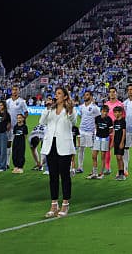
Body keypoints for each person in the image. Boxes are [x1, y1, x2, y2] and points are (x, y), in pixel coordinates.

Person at [39, 86, 77, 218]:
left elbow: (74, 121)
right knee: (53, 176)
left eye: (59, 93)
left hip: (64, 146)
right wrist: (47, 108)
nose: (57, 95)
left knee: (65, 176)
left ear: (65, 96)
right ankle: (54, 204)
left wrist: (70, 110)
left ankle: (65, 204)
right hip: (51, 145)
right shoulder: (51, 109)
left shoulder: (70, 110)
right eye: (56, 93)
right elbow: (42, 121)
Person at [76, 90, 100, 175]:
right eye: (85, 95)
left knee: (93, 151)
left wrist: (96, 131)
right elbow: (81, 116)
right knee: (80, 149)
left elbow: (98, 119)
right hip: (82, 130)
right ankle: (80, 167)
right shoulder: (81, 107)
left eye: (87, 95)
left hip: (91, 132)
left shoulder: (95, 108)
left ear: (91, 96)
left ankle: (94, 169)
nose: (85, 96)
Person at [104, 86, 125, 173]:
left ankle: (120, 170)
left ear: (116, 93)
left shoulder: (120, 104)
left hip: (117, 130)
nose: (112, 93)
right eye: (110, 92)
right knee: (107, 149)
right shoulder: (106, 104)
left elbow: (123, 117)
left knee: (118, 151)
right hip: (108, 130)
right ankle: (107, 167)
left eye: (113, 92)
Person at [89, 104, 112, 179]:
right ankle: (94, 173)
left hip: (105, 139)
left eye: (106, 112)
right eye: (103, 111)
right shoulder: (97, 118)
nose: (105, 113)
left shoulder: (109, 120)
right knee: (94, 155)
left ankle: (101, 174)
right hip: (97, 138)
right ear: (101, 111)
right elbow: (96, 127)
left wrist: (105, 134)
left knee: (103, 156)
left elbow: (111, 130)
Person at [110, 107, 127, 180]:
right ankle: (119, 173)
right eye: (115, 112)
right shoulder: (115, 121)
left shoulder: (123, 121)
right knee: (117, 158)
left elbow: (124, 133)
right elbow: (114, 132)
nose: (116, 114)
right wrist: (112, 142)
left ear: (121, 113)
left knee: (120, 157)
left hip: (120, 141)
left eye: (118, 112)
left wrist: (122, 142)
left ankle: (122, 174)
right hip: (116, 141)